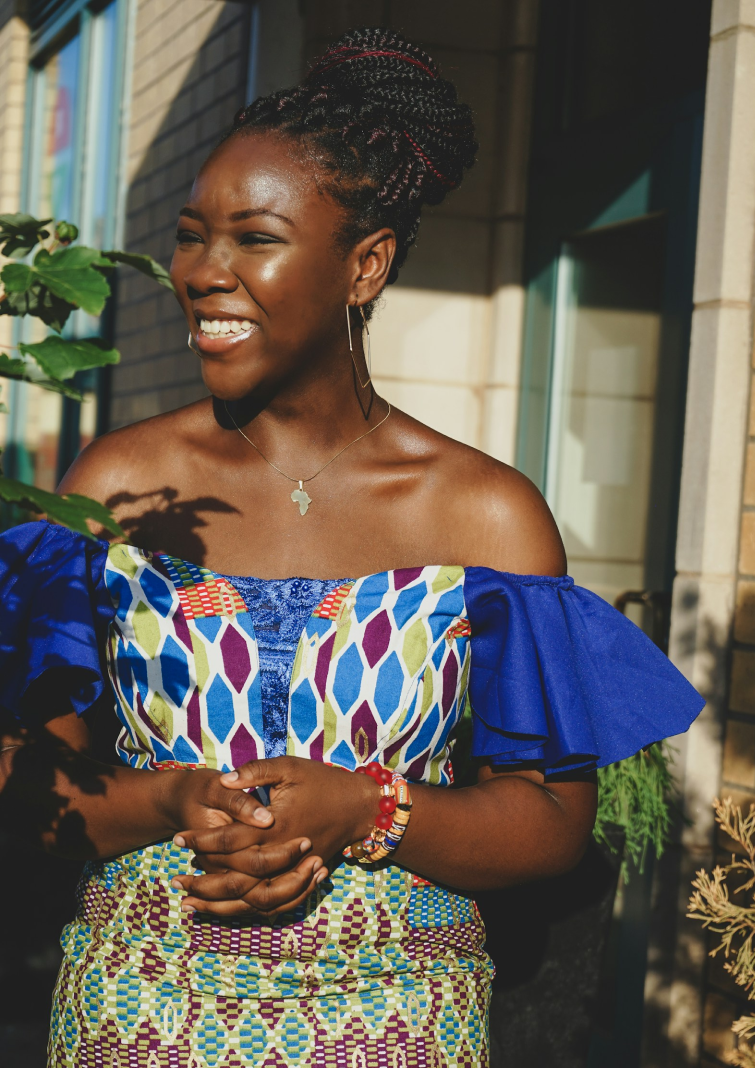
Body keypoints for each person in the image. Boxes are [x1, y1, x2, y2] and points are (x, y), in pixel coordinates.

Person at [0, 28, 704, 1068]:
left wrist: (366, 805)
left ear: (363, 265)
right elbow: (25, 775)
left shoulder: (485, 514)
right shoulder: (114, 488)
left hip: (396, 1020)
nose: (203, 272)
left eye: (254, 237)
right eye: (193, 236)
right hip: (139, 1011)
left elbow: (550, 822)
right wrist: (167, 798)